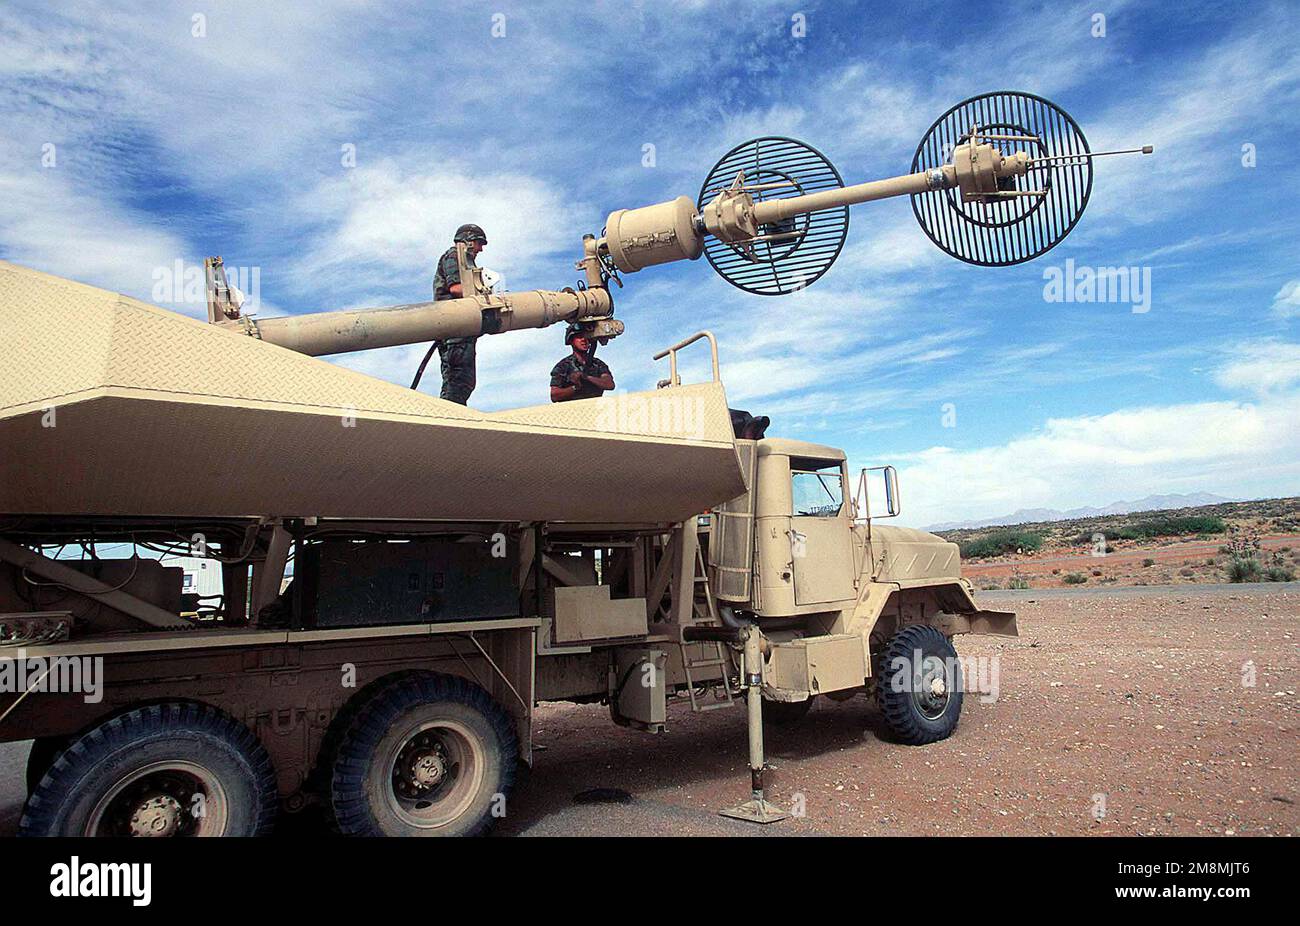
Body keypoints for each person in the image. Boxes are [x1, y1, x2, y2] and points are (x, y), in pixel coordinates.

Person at [419, 223, 488, 405]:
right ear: (468, 241)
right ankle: (449, 421)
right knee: (456, 383)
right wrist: (484, 298)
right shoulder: (454, 256)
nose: (481, 249)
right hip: (455, 329)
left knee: (463, 383)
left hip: (462, 330)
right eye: (479, 243)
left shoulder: (464, 259)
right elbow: (457, 288)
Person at [550, 322, 615, 402]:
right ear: (571, 341)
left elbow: (609, 384)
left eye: (586, 337)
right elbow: (554, 395)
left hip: (594, 408)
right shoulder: (563, 366)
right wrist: (575, 387)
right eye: (579, 337)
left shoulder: (597, 364)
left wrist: (586, 377)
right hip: (572, 410)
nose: (584, 340)